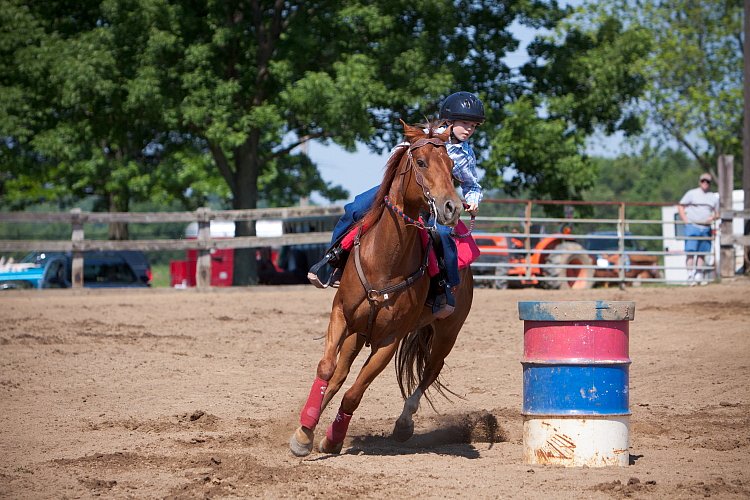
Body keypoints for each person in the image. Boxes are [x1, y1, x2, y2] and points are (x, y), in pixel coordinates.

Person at [307, 91, 485, 315]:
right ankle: (333, 260)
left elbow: (472, 184)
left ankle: (445, 286)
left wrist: (472, 200)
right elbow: (397, 155)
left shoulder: (465, 155)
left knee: (443, 235)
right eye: (465, 123)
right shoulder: (422, 137)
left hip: (434, 201)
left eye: (474, 126)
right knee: (355, 209)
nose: (469, 129)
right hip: (400, 191)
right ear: (449, 122)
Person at [678, 172, 719, 286]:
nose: (705, 183)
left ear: (710, 183)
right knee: (690, 252)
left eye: (707, 181)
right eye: (703, 181)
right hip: (692, 226)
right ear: (700, 182)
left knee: (702, 253)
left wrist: (713, 217)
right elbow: (681, 206)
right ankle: (690, 275)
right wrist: (686, 220)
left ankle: (698, 274)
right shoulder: (692, 193)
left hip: (705, 228)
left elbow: (717, 213)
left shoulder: (713, 197)